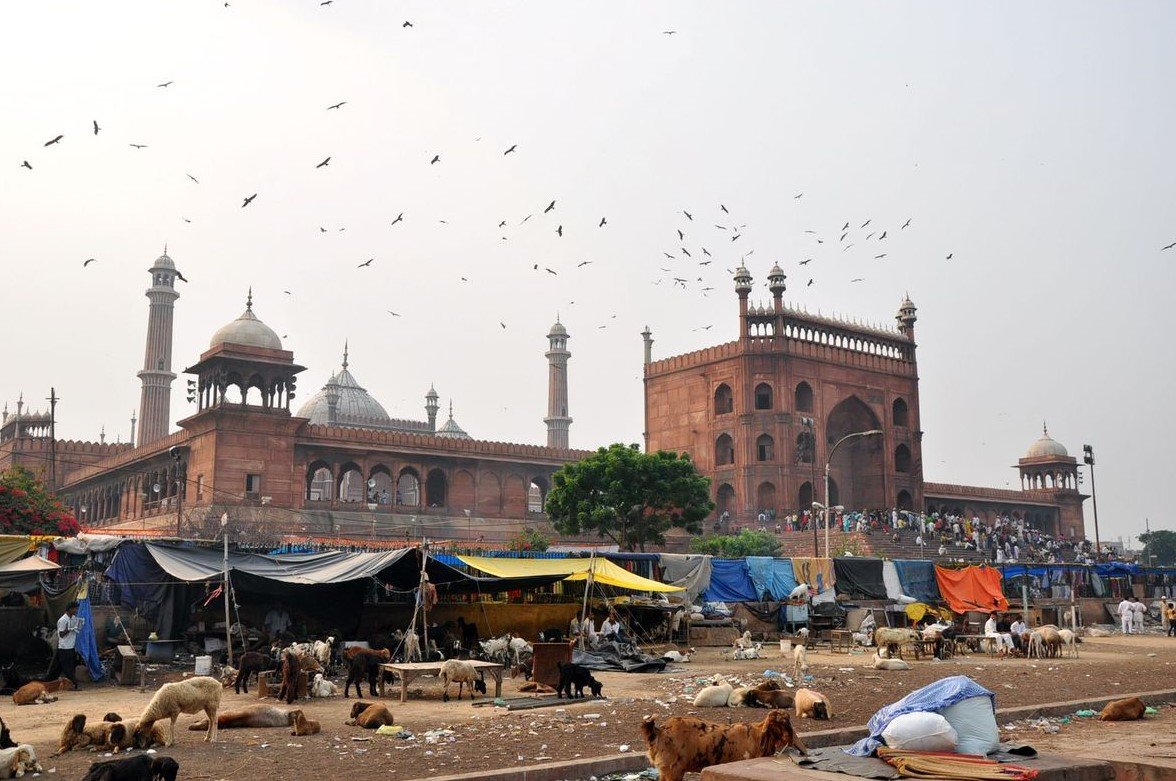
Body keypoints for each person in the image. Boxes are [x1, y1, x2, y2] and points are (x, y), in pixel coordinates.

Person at [55, 600, 83, 689]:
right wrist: (70, 629)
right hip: (64, 648)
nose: (76, 611)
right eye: (75, 609)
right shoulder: (63, 620)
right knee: (68, 668)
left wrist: (79, 625)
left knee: (69, 666)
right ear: (70, 609)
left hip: (71, 646)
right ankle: (74, 685)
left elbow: (77, 628)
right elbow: (61, 634)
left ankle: (68, 684)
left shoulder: (73, 618)